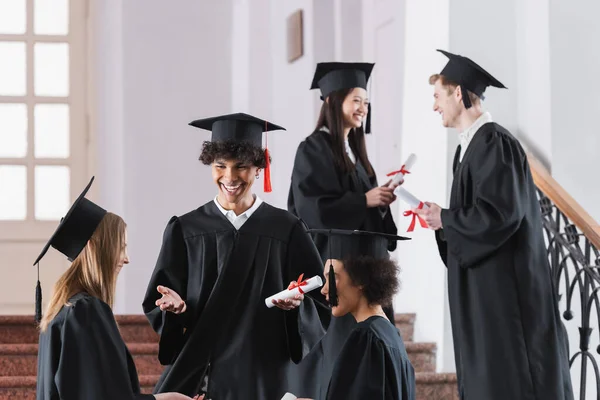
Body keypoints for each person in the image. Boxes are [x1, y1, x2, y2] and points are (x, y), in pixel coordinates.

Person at [413, 49, 574, 399]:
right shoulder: (469, 148)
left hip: (505, 297)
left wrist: (448, 218)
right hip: (486, 293)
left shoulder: (493, 142)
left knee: (510, 379)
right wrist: (443, 223)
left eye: (438, 96)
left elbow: (501, 215)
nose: (434, 106)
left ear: (458, 93)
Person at [142, 113, 331, 400]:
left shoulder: (286, 229)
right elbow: (160, 303)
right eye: (220, 166)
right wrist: (176, 310)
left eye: (241, 167)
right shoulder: (187, 229)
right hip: (207, 369)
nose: (229, 177)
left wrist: (297, 307)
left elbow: (318, 302)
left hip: (264, 372)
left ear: (259, 168)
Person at [287, 62, 400, 399]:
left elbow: (365, 208)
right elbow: (311, 210)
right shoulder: (313, 148)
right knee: (342, 350)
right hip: (337, 268)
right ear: (333, 103)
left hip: (365, 269)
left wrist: (379, 201)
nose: (363, 108)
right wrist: (362, 200)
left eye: (366, 101)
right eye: (356, 100)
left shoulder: (357, 152)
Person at [34, 177, 194, 400]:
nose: (125, 258)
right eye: (121, 247)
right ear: (94, 247)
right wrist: (166, 399)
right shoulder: (86, 311)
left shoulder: (62, 309)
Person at [294, 229, 415, 400]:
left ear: (360, 280)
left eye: (333, 277)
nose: (324, 288)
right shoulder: (390, 334)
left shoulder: (366, 337)